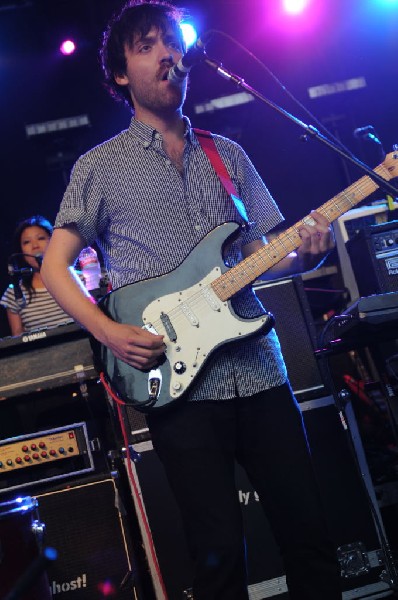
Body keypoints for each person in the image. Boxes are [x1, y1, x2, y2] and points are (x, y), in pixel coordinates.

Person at [41, 2, 342, 598]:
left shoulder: (226, 153)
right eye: (148, 45)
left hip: (260, 372)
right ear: (121, 72)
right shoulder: (98, 168)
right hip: (180, 389)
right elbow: (54, 268)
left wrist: (305, 250)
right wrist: (107, 332)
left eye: (174, 43)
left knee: (310, 536)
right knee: (218, 556)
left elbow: (267, 251)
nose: (167, 55)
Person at [0, 215, 75, 336]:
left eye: (40, 238)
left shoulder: (79, 279)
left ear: (53, 241)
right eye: (27, 242)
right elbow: (18, 338)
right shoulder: (14, 292)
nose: (35, 246)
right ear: (21, 251)